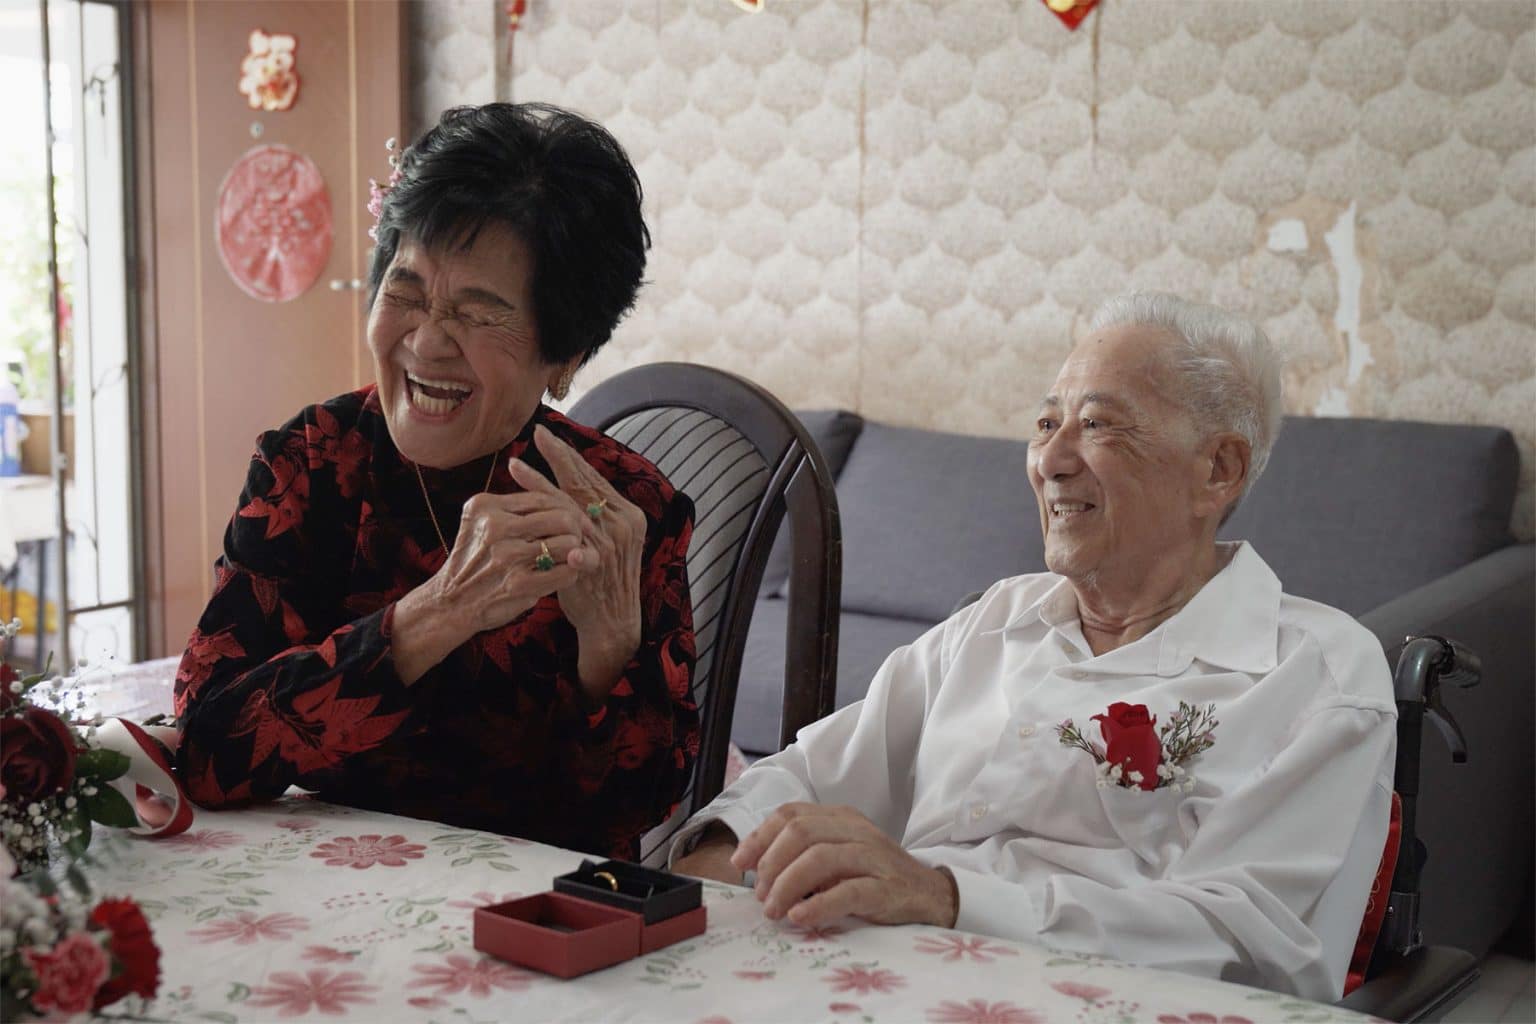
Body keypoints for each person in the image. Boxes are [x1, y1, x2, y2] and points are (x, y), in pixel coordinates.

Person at [671, 292, 1396, 1001]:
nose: (1050, 459)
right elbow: (811, 772)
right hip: (881, 982)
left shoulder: (1318, 675)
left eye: (1098, 425)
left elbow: (1249, 947)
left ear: (1219, 470)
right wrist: (719, 856)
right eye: (1046, 423)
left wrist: (948, 898)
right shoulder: (995, 620)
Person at [174, 103, 699, 860]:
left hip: (530, 924)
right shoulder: (312, 464)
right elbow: (202, 750)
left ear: (567, 355)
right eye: (407, 292)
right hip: (325, 891)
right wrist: (436, 614)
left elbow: (641, 810)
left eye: (478, 316)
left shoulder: (623, 514)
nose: (424, 343)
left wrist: (610, 646)